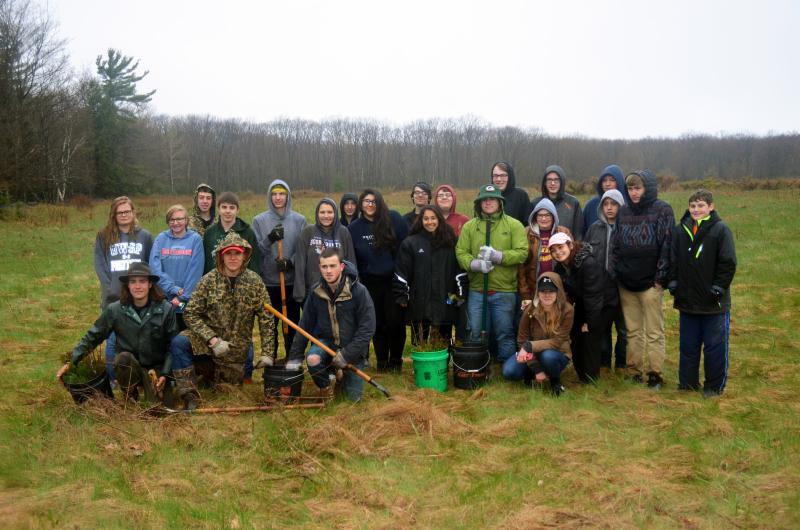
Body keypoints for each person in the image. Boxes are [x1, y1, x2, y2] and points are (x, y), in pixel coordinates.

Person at [170, 233, 276, 410]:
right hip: (208, 347)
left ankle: (207, 380)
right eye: (228, 253)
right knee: (179, 342)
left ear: (245, 256)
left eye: (237, 253)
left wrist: (267, 353)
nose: (233, 258)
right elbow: (190, 313)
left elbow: (266, 319)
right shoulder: (208, 281)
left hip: (234, 353)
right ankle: (190, 396)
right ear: (221, 256)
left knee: (226, 390)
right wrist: (212, 339)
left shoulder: (255, 282)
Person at [57, 263, 177, 402]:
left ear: (150, 284)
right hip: (130, 366)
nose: (138, 286)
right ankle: (130, 392)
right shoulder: (115, 310)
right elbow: (94, 336)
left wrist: (165, 374)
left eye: (142, 281)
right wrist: (71, 361)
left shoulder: (166, 309)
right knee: (122, 358)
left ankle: (158, 391)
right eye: (133, 282)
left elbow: (172, 346)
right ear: (128, 285)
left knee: (157, 410)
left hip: (156, 368)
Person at [668, 190, 736, 397]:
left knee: (714, 348)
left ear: (711, 207)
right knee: (688, 346)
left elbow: (728, 263)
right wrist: (673, 282)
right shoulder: (680, 231)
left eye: (701, 205)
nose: (696, 210)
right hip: (687, 302)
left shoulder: (720, 230)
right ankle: (687, 383)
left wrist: (718, 288)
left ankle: (714, 387)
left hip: (712, 303)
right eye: (693, 206)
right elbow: (673, 259)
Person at [287, 248, 376, 402]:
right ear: (319, 268)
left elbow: (367, 329)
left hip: (352, 350)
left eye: (332, 266)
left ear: (341, 267)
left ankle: (341, 375)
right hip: (327, 344)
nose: (328, 271)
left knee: (352, 401)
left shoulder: (359, 291)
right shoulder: (316, 292)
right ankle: (326, 386)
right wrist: (295, 357)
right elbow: (304, 325)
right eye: (324, 266)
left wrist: (346, 355)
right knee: (313, 359)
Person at [612, 170, 674, 389]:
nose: (634, 192)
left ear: (647, 188)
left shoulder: (662, 210)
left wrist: (660, 279)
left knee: (654, 332)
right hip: (627, 284)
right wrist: (618, 272)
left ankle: (655, 374)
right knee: (633, 331)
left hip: (651, 284)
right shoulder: (623, 212)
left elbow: (667, 246)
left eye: (638, 188)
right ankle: (633, 371)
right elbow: (616, 246)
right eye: (630, 188)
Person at [455, 184, 527, 363]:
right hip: (477, 290)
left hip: (504, 290)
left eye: (492, 199)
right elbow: (460, 252)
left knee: (505, 333)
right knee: (475, 331)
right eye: (484, 200)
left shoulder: (513, 225)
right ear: (479, 204)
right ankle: (477, 364)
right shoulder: (470, 227)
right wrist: (474, 264)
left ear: (500, 202)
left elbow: (522, 252)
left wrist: (499, 256)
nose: (488, 203)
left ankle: (507, 367)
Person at [348, 188, 408, 372]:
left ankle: (396, 361)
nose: (370, 205)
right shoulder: (354, 228)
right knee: (378, 323)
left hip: (394, 280)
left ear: (380, 202)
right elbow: (353, 257)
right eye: (366, 201)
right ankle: (382, 361)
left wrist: (403, 277)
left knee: (395, 322)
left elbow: (405, 248)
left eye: (373, 201)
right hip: (369, 283)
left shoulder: (394, 219)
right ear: (361, 204)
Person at [93, 196, 153, 381]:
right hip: (114, 296)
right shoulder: (104, 236)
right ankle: (113, 379)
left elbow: (150, 263)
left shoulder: (144, 236)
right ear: (114, 215)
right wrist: (110, 286)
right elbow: (100, 263)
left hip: (138, 295)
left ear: (133, 213)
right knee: (112, 339)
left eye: (127, 211)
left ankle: (137, 375)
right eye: (120, 212)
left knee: (136, 336)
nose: (124, 215)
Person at [252, 179, 308, 356]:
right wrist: (270, 238)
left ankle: (292, 360)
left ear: (287, 196)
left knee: (291, 324)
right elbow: (256, 252)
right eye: (274, 194)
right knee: (270, 327)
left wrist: (290, 262)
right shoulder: (259, 221)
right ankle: (271, 359)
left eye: (281, 194)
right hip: (268, 282)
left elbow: (303, 249)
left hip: (291, 282)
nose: (278, 198)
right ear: (270, 196)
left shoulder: (299, 220)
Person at [394, 205, 459, 344]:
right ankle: (421, 364)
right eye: (426, 219)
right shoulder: (410, 243)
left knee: (443, 340)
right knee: (419, 342)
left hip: (446, 299)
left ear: (439, 219)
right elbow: (402, 272)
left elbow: (458, 272)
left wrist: (457, 299)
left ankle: (442, 365)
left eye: (433, 218)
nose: (430, 222)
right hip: (419, 301)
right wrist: (402, 296)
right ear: (420, 221)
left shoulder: (450, 242)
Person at [501, 273, 573, 396]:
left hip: (557, 352)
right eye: (543, 291)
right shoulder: (530, 310)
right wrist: (536, 367)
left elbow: (557, 341)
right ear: (537, 293)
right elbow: (522, 339)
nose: (547, 295)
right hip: (532, 354)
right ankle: (533, 374)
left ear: (558, 292)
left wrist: (529, 346)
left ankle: (555, 382)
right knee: (509, 371)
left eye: (551, 291)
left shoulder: (567, 310)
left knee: (548, 356)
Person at [548, 232, 605, 383]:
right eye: (553, 250)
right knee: (575, 335)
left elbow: (593, 296)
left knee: (590, 336)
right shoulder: (560, 268)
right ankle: (582, 375)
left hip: (603, 303)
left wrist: (589, 322)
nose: (558, 252)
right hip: (583, 302)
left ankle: (591, 378)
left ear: (570, 245)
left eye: (561, 247)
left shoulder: (588, 264)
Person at [585, 189, 627, 371]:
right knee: (602, 327)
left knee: (624, 327)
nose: (609, 208)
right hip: (600, 287)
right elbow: (586, 253)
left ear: (620, 206)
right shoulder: (594, 228)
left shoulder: (626, 226)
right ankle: (603, 362)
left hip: (623, 285)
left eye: (614, 204)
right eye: (606, 204)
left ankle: (622, 362)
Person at [149, 204, 204, 330]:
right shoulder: (161, 238)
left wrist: (182, 297)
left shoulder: (195, 239)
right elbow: (155, 267)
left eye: (179, 219)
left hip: (184, 300)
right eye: (172, 220)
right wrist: (172, 288)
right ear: (168, 222)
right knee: (163, 336)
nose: (176, 223)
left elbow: (195, 271)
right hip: (163, 298)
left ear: (186, 220)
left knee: (183, 337)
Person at [294, 198, 356, 304]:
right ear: (317, 214)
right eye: (322, 212)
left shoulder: (343, 232)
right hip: (313, 291)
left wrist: (351, 288)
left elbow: (351, 262)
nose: (326, 216)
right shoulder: (308, 232)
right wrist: (300, 293)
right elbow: (300, 263)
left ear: (335, 214)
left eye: (330, 212)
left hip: (338, 292)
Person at [518, 198, 572, 310]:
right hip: (534, 289)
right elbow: (521, 266)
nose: (543, 218)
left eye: (547, 215)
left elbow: (571, 261)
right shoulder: (526, 233)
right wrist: (525, 294)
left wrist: (568, 293)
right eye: (540, 215)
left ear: (554, 216)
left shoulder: (563, 232)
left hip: (559, 288)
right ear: (534, 217)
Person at [203, 191, 261, 275]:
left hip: (242, 283)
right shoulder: (210, 233)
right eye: (224, 207)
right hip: (215, 284)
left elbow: (254, 263)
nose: (228, 211)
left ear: (237, 210)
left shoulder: (247, 232)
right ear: (218, 209)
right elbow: (206, 263)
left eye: (232, 208)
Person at [539, 165, 584, 237]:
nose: (553, 183)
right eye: (549, 180)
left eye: (556, 180)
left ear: (562, 182)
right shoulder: (536, 204)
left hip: (567, 246)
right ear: (544, 182)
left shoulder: (573, 203)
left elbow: (578, 234)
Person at [582, 165, 626, 238]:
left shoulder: (629, 205)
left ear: (619, 182)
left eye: (612, 180)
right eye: (604, 180)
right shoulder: (591, 205)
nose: (607, 184)